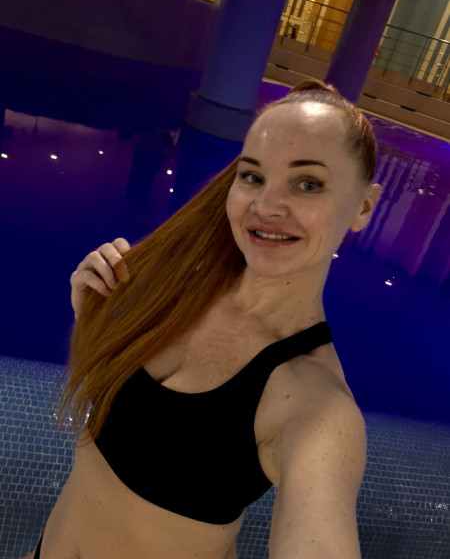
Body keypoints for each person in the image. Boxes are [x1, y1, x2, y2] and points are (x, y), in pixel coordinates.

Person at [25, 79, 381, 559]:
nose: (266, 207)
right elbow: (117, 431)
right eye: (253, 176)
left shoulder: (313, 403)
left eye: (308, 184)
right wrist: (92, 319)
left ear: (364, 206)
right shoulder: (173, 290)